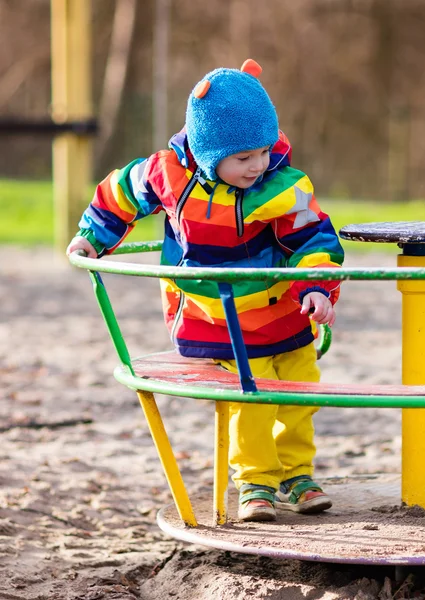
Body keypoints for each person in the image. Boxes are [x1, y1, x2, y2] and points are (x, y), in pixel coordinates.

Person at [67, 59, 345, 522]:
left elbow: (314, 237)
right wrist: (92, 236)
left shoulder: (279, 184)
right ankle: (256, 481)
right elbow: (118, 194)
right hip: (220, 316)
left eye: (263, 150)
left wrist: (316, 287)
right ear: (206, 150)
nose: (257, 165)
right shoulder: (168, 176)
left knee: (300, 392)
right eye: (243, 158)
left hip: (285, 311)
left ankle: (297, 473)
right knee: (251, 395)